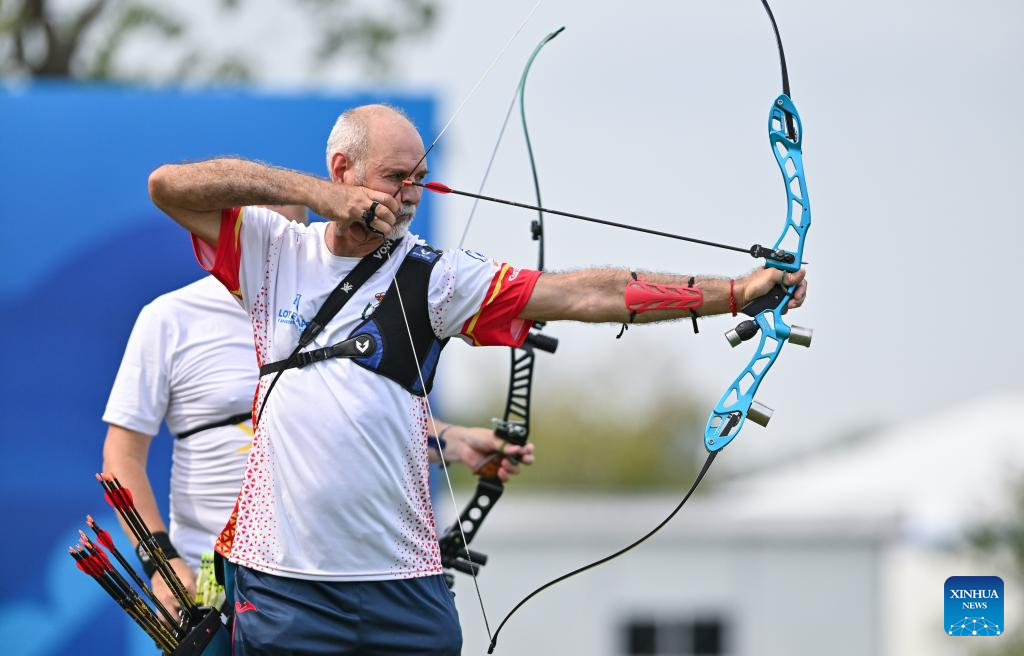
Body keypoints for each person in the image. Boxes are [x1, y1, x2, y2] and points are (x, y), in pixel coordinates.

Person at [146, 103, 807, 654]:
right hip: (282, 585)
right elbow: (168, 186)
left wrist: (734, 292)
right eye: (395, 177)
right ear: (343, 170)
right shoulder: (273, 252)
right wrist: (318, 197)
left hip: (402, 588)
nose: (409, 194)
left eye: (419, 178)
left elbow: (583, 294)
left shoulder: (437, 278)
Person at [101, 202, 531, 623]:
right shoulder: (170, 318)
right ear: (240, 239)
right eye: (273, 243)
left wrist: (456, 442)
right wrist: (160, 562)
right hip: (216, 581)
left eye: (297, 241)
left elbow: (354, 423)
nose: (285, 255)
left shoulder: (340, 307)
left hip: (328, 579)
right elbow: (121, 458)